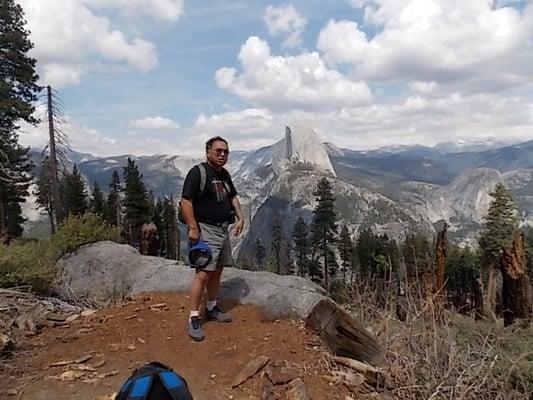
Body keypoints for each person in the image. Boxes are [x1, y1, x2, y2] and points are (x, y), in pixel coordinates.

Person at [181, 136, 244, 341]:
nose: (223, 154)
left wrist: (240, 216)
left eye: (226, 151)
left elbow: (232, 196)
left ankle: (211, 307)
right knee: (203, 274)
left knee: (217, 270)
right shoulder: (198, 173)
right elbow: (186, 201)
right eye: (218, 151)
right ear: (208, 152)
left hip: (222, 230)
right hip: (206, 229)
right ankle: (193, 317)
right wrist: (193, 228)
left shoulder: (224, 174)